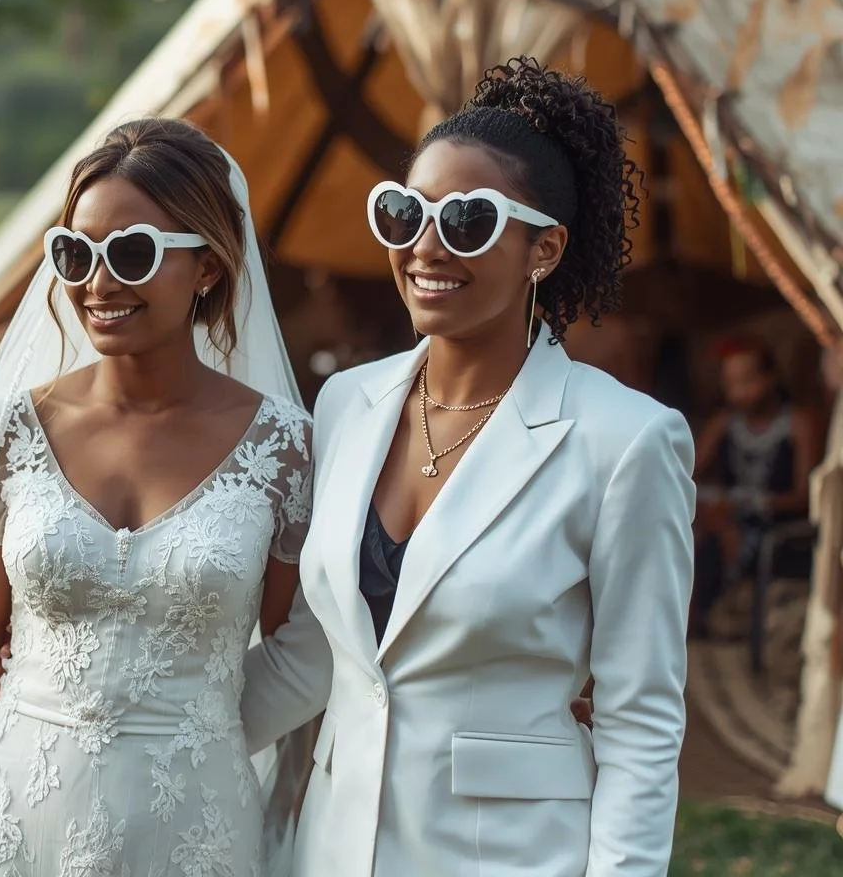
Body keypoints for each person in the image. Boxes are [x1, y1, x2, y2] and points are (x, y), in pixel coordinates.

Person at [236, 57, 695, 876]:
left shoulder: (626, 440)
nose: (424, 244)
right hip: (332, 852)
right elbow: (320, 655)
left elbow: (640, 719)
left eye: (469, 221)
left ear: (543, 250)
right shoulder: (345, 403)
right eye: (405, 212)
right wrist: (130, 708)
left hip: (516, 859)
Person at [0, 117, 315, 876]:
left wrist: (195, 721)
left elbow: (300, 650)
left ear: (209, 268)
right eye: (75, 252)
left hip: (195, 832)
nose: (97, 281)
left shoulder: (282, 447)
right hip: (8, 817)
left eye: (130, 253)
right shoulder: (14, 430)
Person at [691, 338, 820, 636]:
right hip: (728, 521)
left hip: (779, 527)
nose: (738, 393)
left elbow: (807, 497)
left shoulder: (799, 423)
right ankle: (691, 626)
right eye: (730, 383)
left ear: (771, 378)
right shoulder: (724, 422)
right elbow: (687, 471)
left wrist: (749, 503)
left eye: (747, 381)